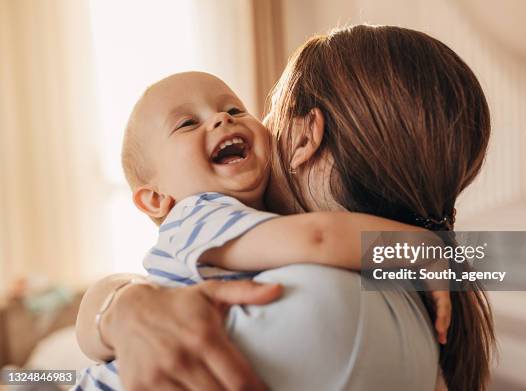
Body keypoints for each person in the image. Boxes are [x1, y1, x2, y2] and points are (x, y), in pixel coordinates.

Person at [75, 24, 494, 391]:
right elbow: (318, 237)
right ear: (154, 198)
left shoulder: (326, 301)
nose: (223, 121)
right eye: (187, 123)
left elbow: (320, 238)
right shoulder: (201, 213)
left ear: (306, 136)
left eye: (237, 109)